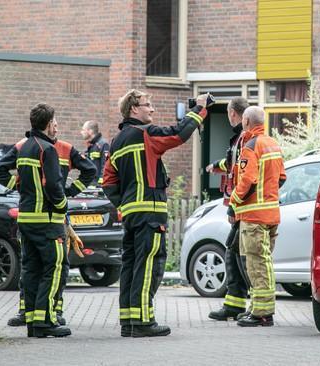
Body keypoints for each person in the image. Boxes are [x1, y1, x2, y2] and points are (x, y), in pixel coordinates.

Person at [102, 90, 208, 337]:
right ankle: (142, 322)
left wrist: (125, 203)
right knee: (149, 264)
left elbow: (108, 182)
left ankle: (129, 321)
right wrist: (200, 109)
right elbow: (179, 133)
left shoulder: (116, 142)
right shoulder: (146, 134)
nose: (152, 109)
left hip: (130, 215)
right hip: (150, 213)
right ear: (133, 110)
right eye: (147, 105)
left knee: (130, 265)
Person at [5, 118, 96, 328]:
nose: (57, 127)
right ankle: (29, 312)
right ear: (46, 125)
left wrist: (71, 191)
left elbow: (89, 170)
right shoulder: (25, 146)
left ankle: (55, 310)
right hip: (45, 215)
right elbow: (1, 170)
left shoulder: (65, 149)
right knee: (34, 267)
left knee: (58, 266)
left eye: (57, 124)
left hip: (56, 215)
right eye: (54, 123)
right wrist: (19, 186)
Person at [0, 103, 71, 338]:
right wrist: (63, 206)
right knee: (53, 268)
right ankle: (45, 321)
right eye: (54, 122)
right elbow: (54, 186)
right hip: (48, 222)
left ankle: (34, 323)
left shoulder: (24, 147)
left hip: (26, 220)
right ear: (48, 124)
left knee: (32, 269)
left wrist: (19, 188)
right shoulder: (47, 149)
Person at [229, 106, 286, 327]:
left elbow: (248, 181)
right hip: (271, 214)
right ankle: (257, 307)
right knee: (264, 263)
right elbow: (281, 178)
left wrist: (234, 200)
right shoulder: (272, 143)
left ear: (245, 121)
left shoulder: (250, 145)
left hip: (254, 217)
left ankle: (262, 313)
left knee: (256, 265)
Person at [206, 97, 251, 321]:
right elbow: (232, 163)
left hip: (244, 208)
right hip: (241, 207)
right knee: (233, 252)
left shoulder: (245, 139)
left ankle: (250, 305)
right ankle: (234, 304)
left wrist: (234, 207)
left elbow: (245, 175)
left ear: (233, 113)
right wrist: (216, 166)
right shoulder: (240, 140)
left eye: (227, 112)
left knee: (240, 255)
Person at [81, 120, 109, 186]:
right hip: (90, 184)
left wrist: (100, 186)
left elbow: (105, 166)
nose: (81, 132)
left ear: (90, 131)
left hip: (97, 187)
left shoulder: (103, 144)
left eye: (83, 130)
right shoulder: (91, 145)